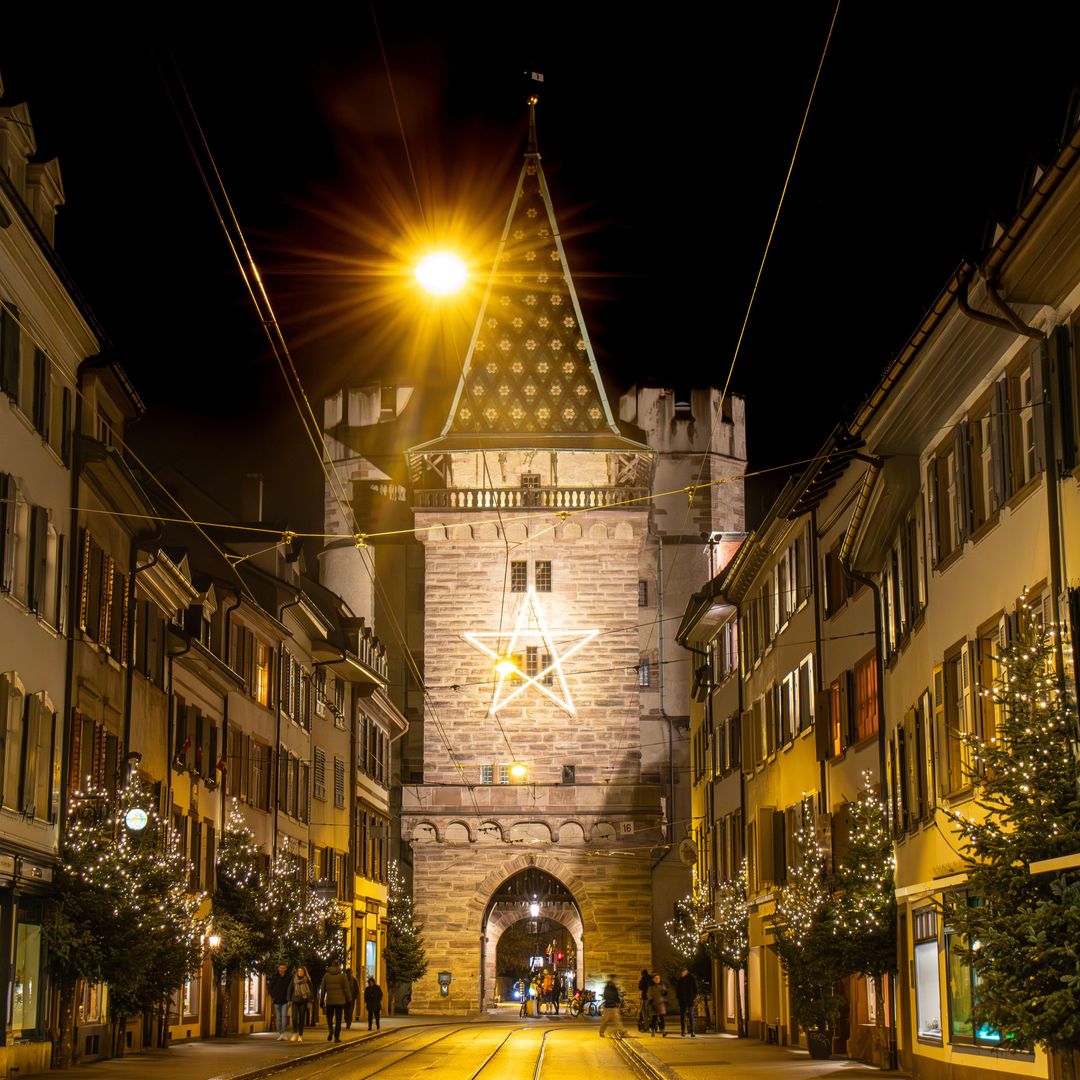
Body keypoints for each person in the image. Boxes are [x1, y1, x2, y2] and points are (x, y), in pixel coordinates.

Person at [320, 959, 353, 1042]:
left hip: (330, 1000)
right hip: (340, 1001)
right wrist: (349, 1000)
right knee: (338, 1019)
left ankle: (331, 1030)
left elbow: (323, 989)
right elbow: (346, 989)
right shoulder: (342, 976)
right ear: (339, 966)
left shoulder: (326, 976)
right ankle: (337, 1037)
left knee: (329, 1017)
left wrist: (321, 1001)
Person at [267, 962, 291, 1040]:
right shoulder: (275, 977)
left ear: (286, 969)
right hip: (276, 1000)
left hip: (285, 1000)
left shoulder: (289, 977)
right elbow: (270, 987)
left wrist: (289, 998)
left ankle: (283, 1033)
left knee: (284, 1017)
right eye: (280, 968)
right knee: (278, 1018)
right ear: (278, 968)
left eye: (283, 968)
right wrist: (273, 996)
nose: (282, 969)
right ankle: (281, 1033)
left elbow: (291, 988)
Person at [290, 966, 314, 1042]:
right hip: (295, 1001)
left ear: (304, 972)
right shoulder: (294, 979)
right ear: (297, 972)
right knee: (294, 1018)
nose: (300, 972)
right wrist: (288, 999)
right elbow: (290, 989)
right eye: (299, 971)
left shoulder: (307, 981)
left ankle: (300, 1035)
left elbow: (311, 991)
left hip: (303, 1001)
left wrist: (310, 1001)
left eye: (301, 971)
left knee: (301, 1018)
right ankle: (294, 1033)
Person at [675, 967, 698, 1038]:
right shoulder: (680, 980)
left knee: (691, 1016)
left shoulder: (691, 978)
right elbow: (677, 990)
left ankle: (692, 1031)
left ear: (686, 972)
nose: (682, 974)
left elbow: (695, 988)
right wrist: (679, 998)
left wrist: (693, 997)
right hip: (682, 1001)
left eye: (682, 972)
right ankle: (683, 1031)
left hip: (690, 1000)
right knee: (682, 1017)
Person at [646, 972, 668, 1037]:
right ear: (653, 979)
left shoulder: (661, 985)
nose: (658, 979)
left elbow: (664, 992)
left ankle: (663, 1031)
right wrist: (650, 1000)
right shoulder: (651, 986)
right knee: (654, 1019)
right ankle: (653, 1031)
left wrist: (665, 992)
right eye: (656, 978)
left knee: (662, 1018)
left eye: (658, 978)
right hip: (653, 1004)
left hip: (660, 1004)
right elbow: (648, 994)